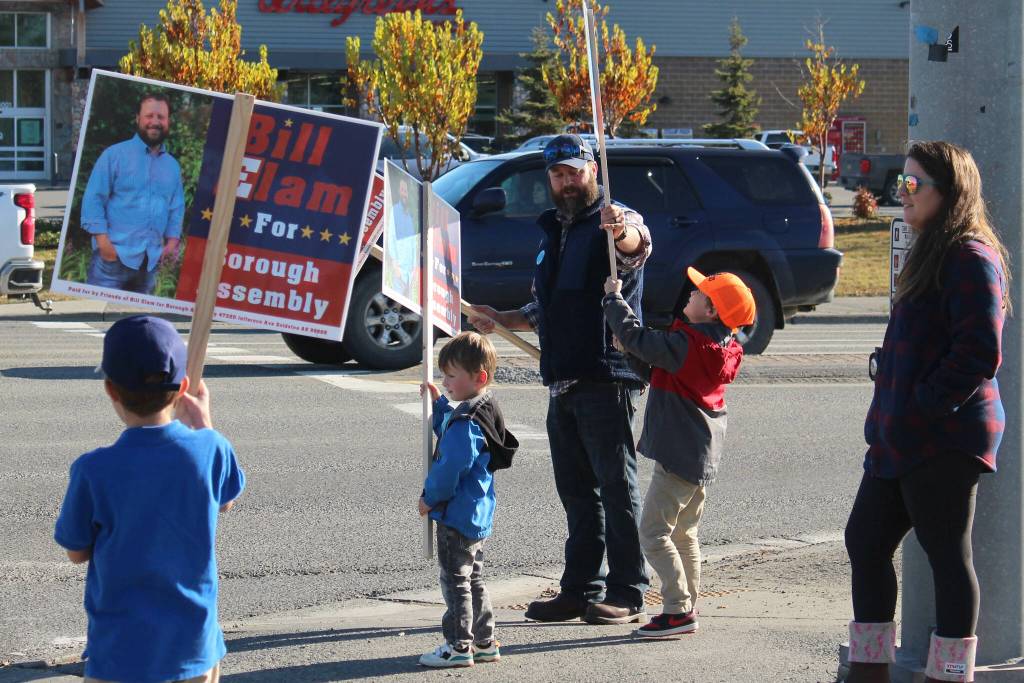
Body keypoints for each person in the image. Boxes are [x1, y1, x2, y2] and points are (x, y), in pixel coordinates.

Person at [467, 134, 654, 625]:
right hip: (563, 378)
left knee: (616, 488)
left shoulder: (616, 218)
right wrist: (500, 317)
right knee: (576, 493)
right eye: (558, 174)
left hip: (606, 375)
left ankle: (628, 590)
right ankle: (580, 589)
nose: (568, 181)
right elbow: (542, 307)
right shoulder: (554, 229)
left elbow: (636, 245)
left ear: (593, 170)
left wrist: (620, 232)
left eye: (575, 171)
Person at [843, 141, 1011, 683]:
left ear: (949, 192)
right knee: (865, 540)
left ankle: (949, 676)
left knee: (945, 555)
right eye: (902, 184)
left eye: (913, 185)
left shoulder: (969, 255)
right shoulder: (931, 250)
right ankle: (871, 672)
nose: (902, 195)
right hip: (901, 436)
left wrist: (924, 405)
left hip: (944, 437)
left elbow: (980, 351)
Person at [54, 315, 244, 683]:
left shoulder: (94, 469)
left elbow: (76, 552)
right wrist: (204, 423)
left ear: (110, 388)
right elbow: (226, 500)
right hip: (194, 645)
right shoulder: (211, 447)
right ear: (184, 384)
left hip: (120, 650)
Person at [602, 267, 754, 637]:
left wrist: (613, 299)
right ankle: (688, 603)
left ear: (712, 311)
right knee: (685, 534)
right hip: (701, 454)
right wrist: (632, 353)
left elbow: (635, 336)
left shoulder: (689, 345)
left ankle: (677, 609)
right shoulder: (718, 347)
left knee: (653, 533)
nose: (692, 292)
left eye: (701, 292)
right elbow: (658, 373)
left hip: (680, 455)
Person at [418, 332, 519, 668]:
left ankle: (459, 645)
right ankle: (485, 641)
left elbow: (450, 467)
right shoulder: (483, 408)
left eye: (451, 375)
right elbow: (452, 431)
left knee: (455, 581)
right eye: (444, 374)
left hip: (457, 514)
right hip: (478, 513)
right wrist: (439, 404)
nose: (445, 381)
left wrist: (428, 498)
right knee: (473, 578)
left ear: (479, 378)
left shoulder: (465, 424)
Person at [81, 93, 185, 295]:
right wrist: (104, 245)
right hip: (111, 262)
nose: (155, 122)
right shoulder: (114, 155)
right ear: (138, 118)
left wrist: (172, 242)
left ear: (168, 122)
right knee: (97, 318)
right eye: (149, 116)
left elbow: (176, 207)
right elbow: (93, 199)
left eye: (161, 117)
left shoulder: (172, 166)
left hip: (149, 265)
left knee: (139, 323)